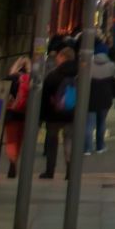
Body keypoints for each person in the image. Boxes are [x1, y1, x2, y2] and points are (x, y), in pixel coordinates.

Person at [39, 42, 78, 179]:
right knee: (69, 141)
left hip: (53, 115)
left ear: (63, 57)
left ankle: (50, 171)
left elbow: (44, 96)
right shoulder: (79, 75)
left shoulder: (53, 75)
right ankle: (69, 171)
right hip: (72, 114)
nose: (56, 59)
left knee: (52, 142)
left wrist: (42, 116)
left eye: (59, 57)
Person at [2, 56, 32, 179]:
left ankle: (12, 162)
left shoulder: (10, 78)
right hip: (26, 113)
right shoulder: (32, 79)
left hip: (11, 112)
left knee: (11, 139)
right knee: (19, 139)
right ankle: (15, 159)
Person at [87, 45, 115, 154]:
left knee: (89, 124)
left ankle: (87, 148)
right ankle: (100, 147)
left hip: (90, 98)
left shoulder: (88, 65)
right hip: (105, 98)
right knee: (101, 123)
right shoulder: (112, 66)